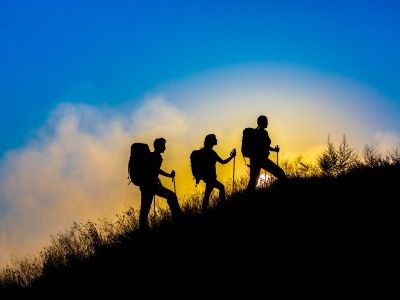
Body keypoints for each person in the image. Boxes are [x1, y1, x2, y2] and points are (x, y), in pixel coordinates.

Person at [139, 138, 181, 230]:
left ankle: (143, 230)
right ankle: (178, 220)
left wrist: (168, 176)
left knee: (145, 209)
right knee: (171, 196)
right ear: (159, 146)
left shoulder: (152, 156)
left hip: (146, 186)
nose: (165, 147)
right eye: (163, 145)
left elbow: (155, 170)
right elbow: (156, 170)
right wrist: (169, 175)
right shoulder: (156, 157)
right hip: (151, 185)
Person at [246, 115, 286, 191]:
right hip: (262, 160)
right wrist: (274, 150)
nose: (267, 123)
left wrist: (274, 150)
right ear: (262, 122)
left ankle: (247, 198)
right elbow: (265, 146)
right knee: (280, 173)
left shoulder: (255, 133)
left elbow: (265, 146)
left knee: (252, 182)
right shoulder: (263, 133)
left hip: (254, 161)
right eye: (266, 121)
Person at [200, 134, 236, 212]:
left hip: (207, 178)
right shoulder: (212, 153)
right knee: (221, 187)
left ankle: (203, 211)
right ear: (211, 141)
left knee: (207, 195)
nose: (217, 140)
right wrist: (232, 157)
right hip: (211, 178)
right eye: (215, 139)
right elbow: (223, 162)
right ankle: (222, 206)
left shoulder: (204, 152)